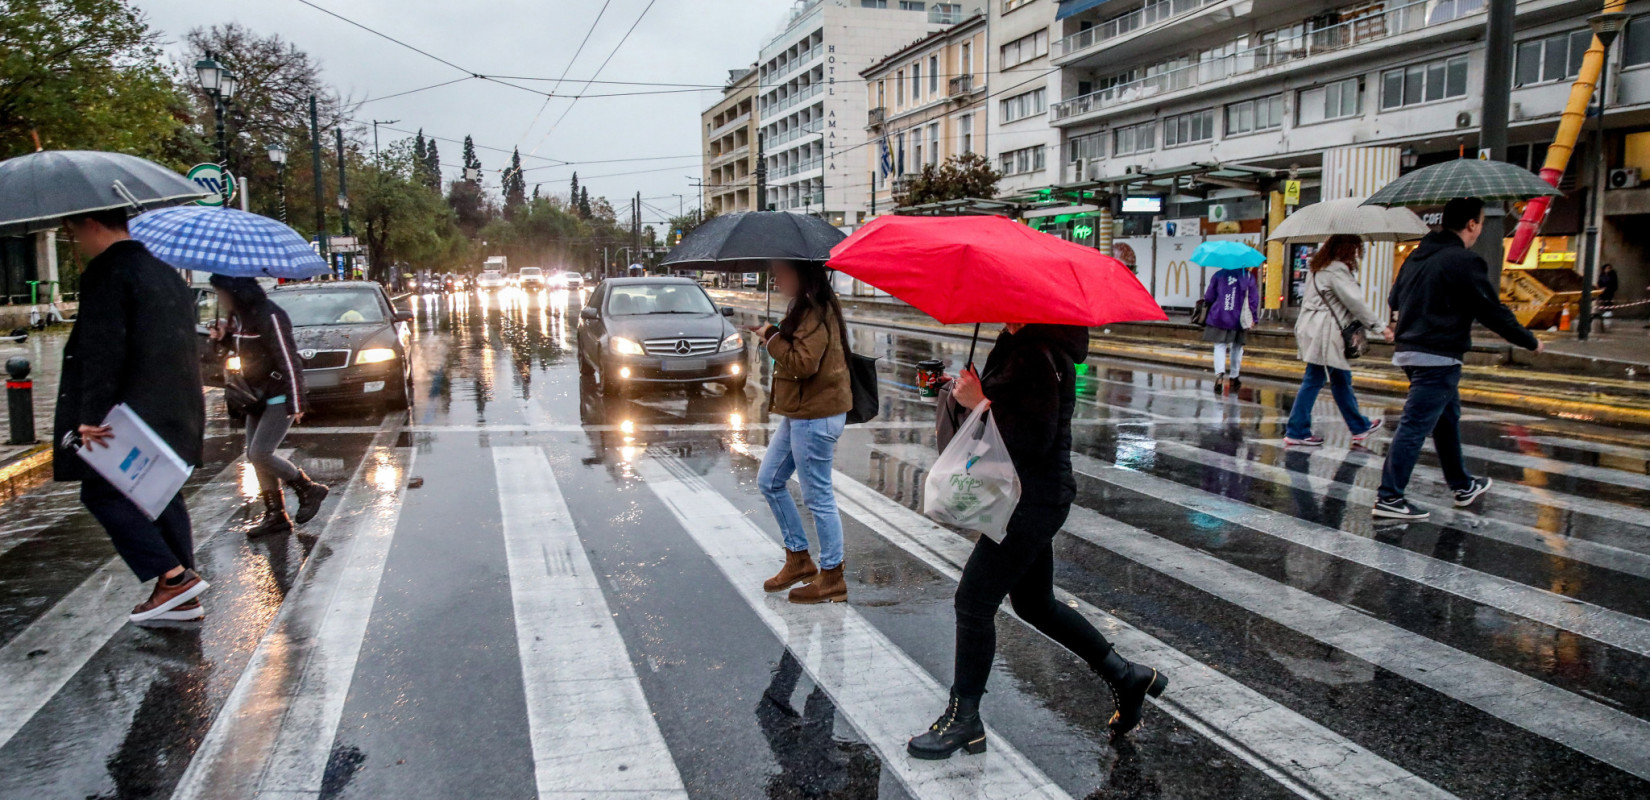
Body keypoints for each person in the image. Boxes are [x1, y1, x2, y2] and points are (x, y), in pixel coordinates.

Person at [908, 324, 1167, 760]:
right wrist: (966, 392)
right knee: (1034, 604)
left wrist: (980, 403)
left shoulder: (1038, 356)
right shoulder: (1018, 343)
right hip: (1027, 496)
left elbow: (1032, 441)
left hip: (1032, 501)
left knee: (973, 601)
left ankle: (964, 719)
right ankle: (1127, 677)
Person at [54, 209, 207, 624]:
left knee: (101, 493)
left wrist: (90, 415)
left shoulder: (107, 272)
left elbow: (103, 349)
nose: (76, 242)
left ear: (90, 224)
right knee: (161, 493)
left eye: (73, 231)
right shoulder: (165, 272)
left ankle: (174, 578)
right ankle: (182, 595)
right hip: (175, 407)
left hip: (128, 414)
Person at [1375, 198, 1542, 520]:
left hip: (1410, 349)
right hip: (1438, 354)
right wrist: (1529, 340)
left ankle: (1462, 485)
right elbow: (1491, 310)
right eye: (1480, 223)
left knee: (1446, 418)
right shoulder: (1464, 261)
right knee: (1415, 425)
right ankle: (1389, 497)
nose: (1480, 230)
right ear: (1471, 225)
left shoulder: (1416, 256)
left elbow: (1394, 299)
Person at [756, 260, 853, 604]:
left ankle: (832, 576)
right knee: (769, 480)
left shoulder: (815, 311)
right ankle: (798, 558)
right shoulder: (804, 308)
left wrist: (771, 337)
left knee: (818, 497)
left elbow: (803, 363)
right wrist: (776, 333)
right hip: (801, 412)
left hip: (816, 415)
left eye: (782, 272)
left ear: (801, 273)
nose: (776, 278)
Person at [208, 275, 328, 537]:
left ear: (236, 291)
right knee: (254, 455)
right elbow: (245, 352)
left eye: (222, 293)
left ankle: (308, 488)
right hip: (255, 397)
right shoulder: (240, 317)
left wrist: (297, 401)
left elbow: (289, 358)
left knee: (260, 453)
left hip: (278, 395)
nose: (221, 299)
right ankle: (276, 515)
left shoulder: (270, 315)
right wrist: (223, 338)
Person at [1284, 235, 1390, 446]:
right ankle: (1296, 430)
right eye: (1356, 249)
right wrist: (1380, 327)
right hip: (1326, 332)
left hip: (1314, 327)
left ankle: (1359, 426)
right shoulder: (1336, 270)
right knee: (1314, 379)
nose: (1357, 254)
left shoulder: (1318, 268)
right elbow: (1356, 303)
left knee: (1341, 379)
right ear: (1347, 249)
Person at [1201, 264, 1259, 394]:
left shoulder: (1218, 275)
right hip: (1238, 319)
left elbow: (1209, 297)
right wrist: (1253, 318)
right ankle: (1234, 377)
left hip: (1219, 316)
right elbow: (1253, 300)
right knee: (1237, 347)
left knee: (1219, 346)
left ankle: (1219, 375)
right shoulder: (1247, 276)